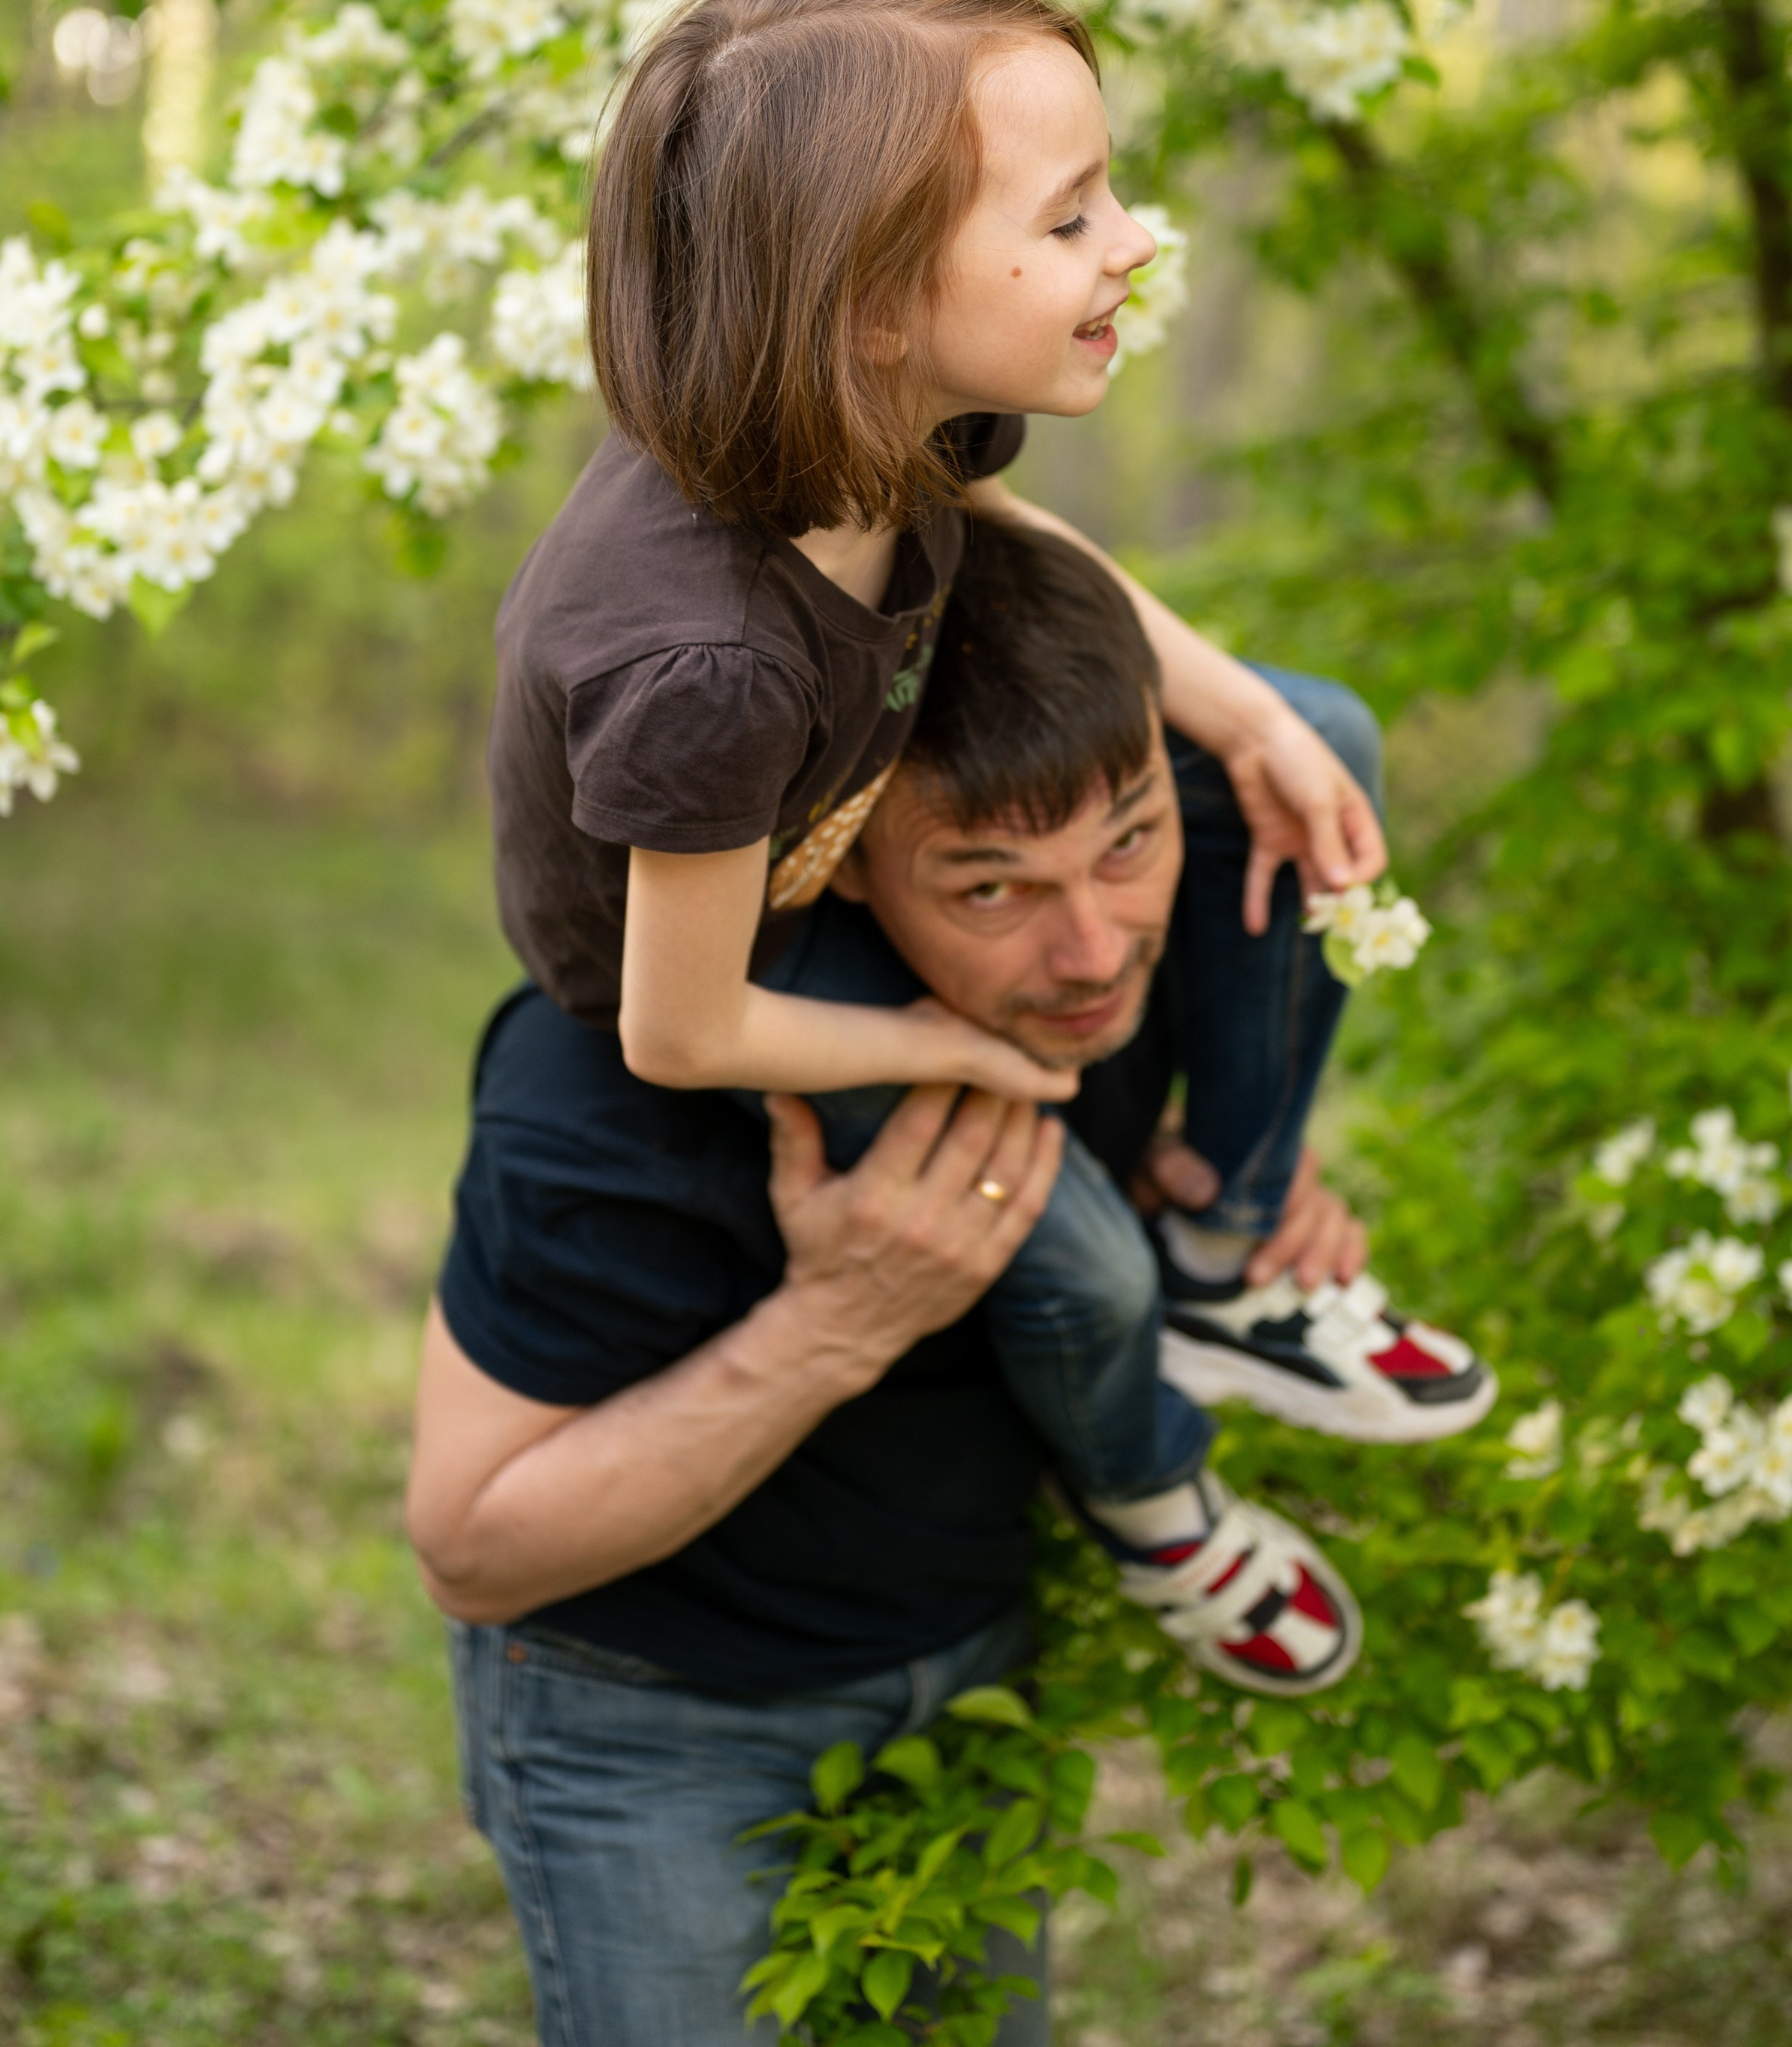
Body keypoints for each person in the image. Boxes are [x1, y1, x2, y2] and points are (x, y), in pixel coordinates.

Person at [408, 528, 1494, 2047]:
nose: (1092, 948)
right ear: (843, 864)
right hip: (655, 1723)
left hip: (974, 1671)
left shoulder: (1140, 959)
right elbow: (469, 1550)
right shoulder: (598, 1090)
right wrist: (836, 1323)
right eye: (990, 887)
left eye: (1128, 843)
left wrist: (1224, 1210)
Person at [486, 0, 1396, 1618]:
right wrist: (958, 1052)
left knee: (1317, 730)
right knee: (1076, 1255)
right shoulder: (706, 666)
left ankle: (1233, 1244)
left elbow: (990, 519)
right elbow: (677, 1031)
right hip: (726, 953)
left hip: (824, 812)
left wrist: (1244, 715)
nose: (1133, 241)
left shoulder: (872, 400)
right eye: (1069, 217)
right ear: (871, 305)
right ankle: (1149, 1490)